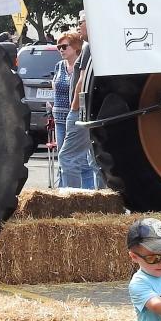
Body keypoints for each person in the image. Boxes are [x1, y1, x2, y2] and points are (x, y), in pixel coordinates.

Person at [58, 12, 102, 189]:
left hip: (82, 112)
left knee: (67, 157)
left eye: (80, 22)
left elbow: (82, 81)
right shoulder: (96, 45)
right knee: (95, 160)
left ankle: (72, 199)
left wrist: (74, 110)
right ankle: (105, 199)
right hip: (92, 110)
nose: (78, 26)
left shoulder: (88, 47)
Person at [50, 30, 80, 183]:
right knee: (62, 155)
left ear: (75, 47)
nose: (61, 50)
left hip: (75, 116)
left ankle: (80, 191)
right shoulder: (59, 66)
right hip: (60, 117)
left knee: (75, 158)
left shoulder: (81, 66)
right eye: (58, 47)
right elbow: (55, 87)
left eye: (64, 46)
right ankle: (63, 188)